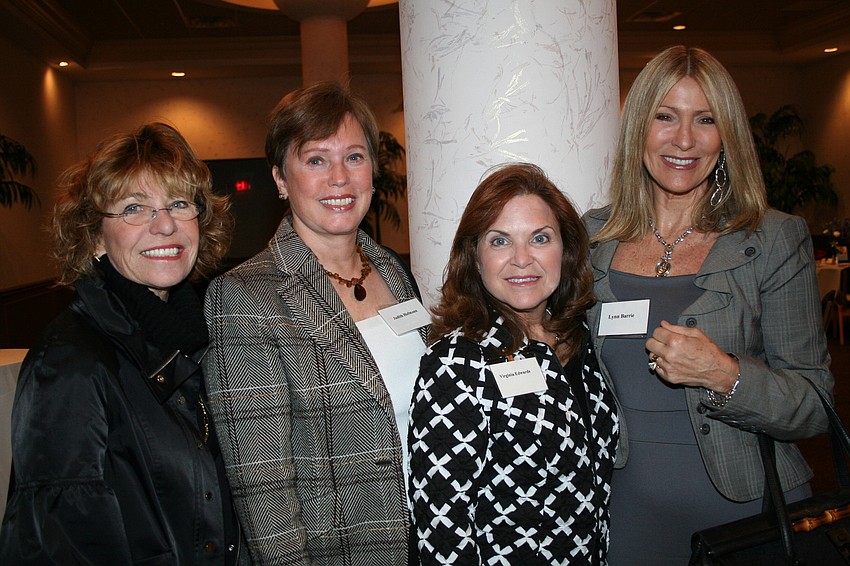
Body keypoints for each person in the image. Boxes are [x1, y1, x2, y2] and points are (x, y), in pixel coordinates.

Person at [583, 45, 834, 564]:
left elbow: (815, 404)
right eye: (665, 116)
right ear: (639, 129)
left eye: (706, 120)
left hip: (748, 522)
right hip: (623, 516)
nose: (684, 139)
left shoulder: (773, 239)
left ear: (727, 136)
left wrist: (725, 374)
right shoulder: (591, 240)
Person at [203, 81, 427, 565]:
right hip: (341, 551)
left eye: (354, 156)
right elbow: (263, 486)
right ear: (282, 180)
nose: (340, 178)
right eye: (316, 160)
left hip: (429, 535)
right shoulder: (245, 296)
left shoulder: (394, 270)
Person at [0, 122, 246, 564]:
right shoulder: (69, 364)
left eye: (178, 203)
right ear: (94, 237)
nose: (165, 224)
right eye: (135, 208)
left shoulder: (204, 338)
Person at [409, 162, 619, 565]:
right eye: (500, 241)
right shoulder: (456, 362)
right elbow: (441, 524)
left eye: (540, 238)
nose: (522, 259)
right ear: (474, 256)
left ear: (567, 249)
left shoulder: (581, 341)